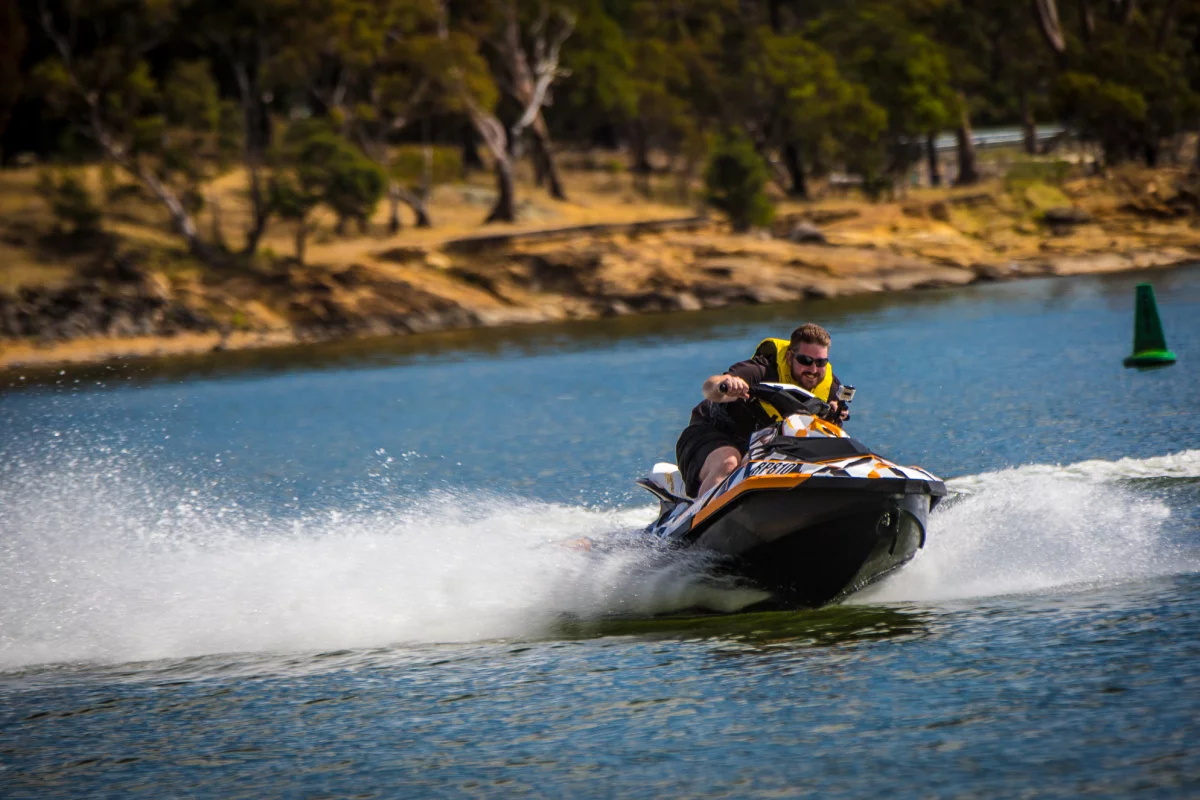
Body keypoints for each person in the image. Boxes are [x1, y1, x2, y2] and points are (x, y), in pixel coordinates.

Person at [676, 322, 849, 498]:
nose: (813, 369)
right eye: (805, 361)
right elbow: (709, 388)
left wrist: (834, 417)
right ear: (790, 357)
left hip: (761, 447)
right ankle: (701, 519)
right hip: (708, 435)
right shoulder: (759, 370)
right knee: (729, 462)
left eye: (821, 362)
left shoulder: (831, 390)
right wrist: (726, 384)